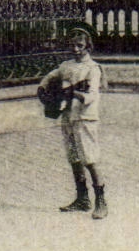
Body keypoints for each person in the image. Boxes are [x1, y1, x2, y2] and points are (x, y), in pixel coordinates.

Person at [38, 29, 107, 219]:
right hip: (68, 116)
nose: (76, 49)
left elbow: (91, 96)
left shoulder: (93, 68)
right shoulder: (66, 66)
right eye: (72, 45)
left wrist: (72, 92)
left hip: (85, 118)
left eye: (80, 46)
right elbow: (49, 78)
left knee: (89, 159)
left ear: (88, 46)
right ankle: (82, 199)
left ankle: (101, 201)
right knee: (74, 158)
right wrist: (43, 90)